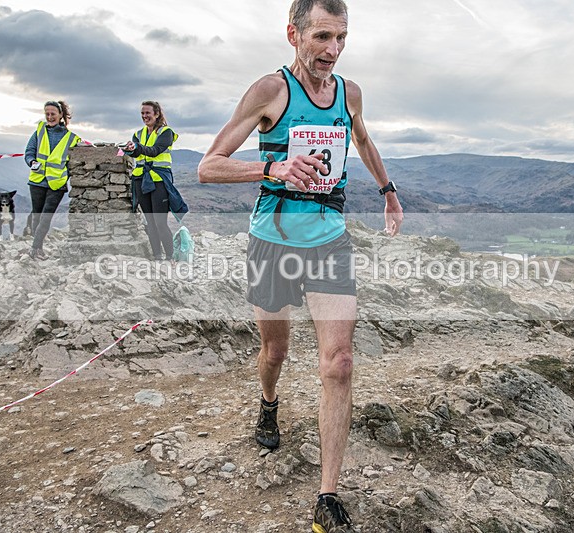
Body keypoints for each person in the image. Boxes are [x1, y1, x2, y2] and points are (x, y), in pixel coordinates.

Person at [198, 1, 403, 531]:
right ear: (294, 34)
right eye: (321, 37)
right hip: (273, 241)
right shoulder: (271, 91)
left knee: (339, 363)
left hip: (330, 242)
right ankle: (268, 402)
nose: (332, 51)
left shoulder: (349, 93)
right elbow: (207, 167)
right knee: (275, 350)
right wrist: (275, 166)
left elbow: (362, 138)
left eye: (341, 38)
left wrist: (388, 191)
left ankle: (328, 496)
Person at [124, 100, 188, 261]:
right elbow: (138, 155)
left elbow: (155, 151)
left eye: (148, 113)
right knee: (150, 222)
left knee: (160, 222)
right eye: (142, 113)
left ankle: (170, 256)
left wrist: (137, 148)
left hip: (159, 181)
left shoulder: (166, 133)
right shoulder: (138, 134)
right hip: (141, 180)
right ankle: (157, 256)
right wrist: (130, 150)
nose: (145, 116)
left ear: (157, 114)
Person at [24, 100, 80, 260]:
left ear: (61, 115)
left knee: (46, 216)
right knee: (36, 215)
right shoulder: (39, 132)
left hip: (57, 184)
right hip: (37, 180)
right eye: (47, 114)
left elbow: (73, 162)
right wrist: (31, 162)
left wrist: (66, 175)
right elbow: (29, 152)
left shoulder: (71, 138)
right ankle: (38, 247)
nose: (49, 117)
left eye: (53, 114)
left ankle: (34, 249)